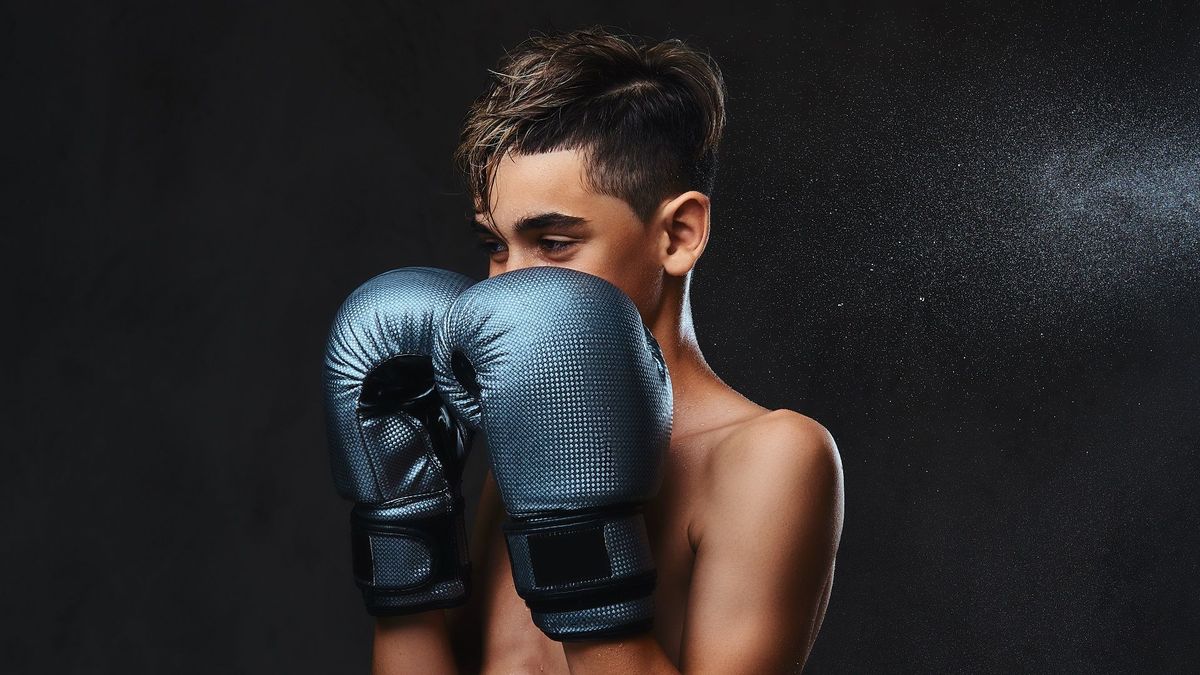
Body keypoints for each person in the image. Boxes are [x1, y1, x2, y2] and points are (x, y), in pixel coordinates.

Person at [368, 26, 844, 674]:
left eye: (554, 243)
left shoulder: (770, 457)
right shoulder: (528, 428)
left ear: (679, 234)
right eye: (496, 246)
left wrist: (585, 564)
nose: (507, 287)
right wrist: (403, 531)